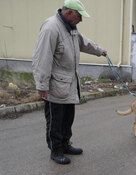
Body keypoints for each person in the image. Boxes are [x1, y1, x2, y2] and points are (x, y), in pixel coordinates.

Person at [32, 0, 107, 165]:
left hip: (69, 84)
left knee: (67, 118)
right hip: (54, 85)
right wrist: (42, 85)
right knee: (55, 121)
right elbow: (42, 58)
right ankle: (56, 150)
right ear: (69, 12)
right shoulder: (51, 28)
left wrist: (100, 50)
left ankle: (65, 144)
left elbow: (83, 42)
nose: (81, 20)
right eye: (80, 16)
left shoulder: (71, 28)